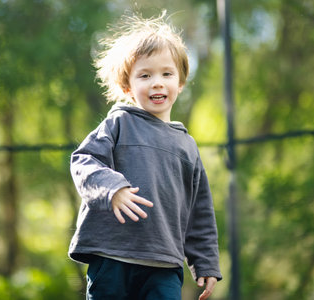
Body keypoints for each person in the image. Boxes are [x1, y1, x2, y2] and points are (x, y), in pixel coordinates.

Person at [68, 11, 222, 300]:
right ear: (128, 86)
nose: (157, 82)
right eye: (145, 75)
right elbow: (83, 161)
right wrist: (112, 189)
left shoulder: (187, 145)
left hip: (164, 264)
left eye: (167, 74)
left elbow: (200, 211)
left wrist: (206, 262)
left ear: (181, 82)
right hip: (112, 256)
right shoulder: (119, 123)